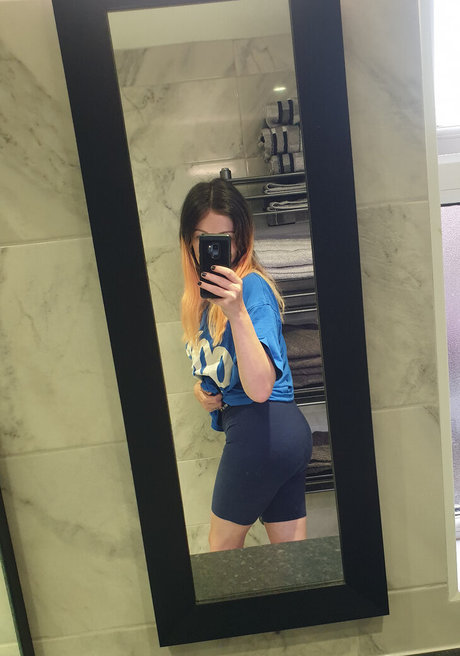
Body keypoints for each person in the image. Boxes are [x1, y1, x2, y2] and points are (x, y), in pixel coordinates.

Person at [179, 178, 312, 552]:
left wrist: (236, 311)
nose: (214, 248)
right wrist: (202, 391)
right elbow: (221, 369)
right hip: (276, 434)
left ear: (241, 238)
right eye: (204, 238)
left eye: (225, 237)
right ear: (189, 242)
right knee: (291, 560)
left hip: (260, 431)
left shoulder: (250, 290)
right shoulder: (202, 302)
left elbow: (260, 388)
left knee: (222, 551)